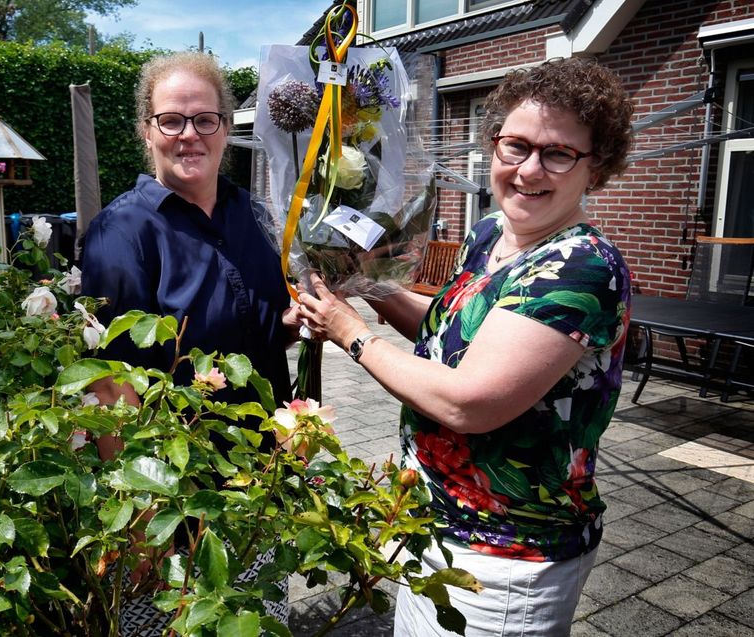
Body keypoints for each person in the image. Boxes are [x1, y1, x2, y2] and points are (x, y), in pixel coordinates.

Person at [295, 57, 634, 636]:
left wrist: (349, 331)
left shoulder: (579, 266)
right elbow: (452, 333)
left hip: (504, 561)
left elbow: (469, 402)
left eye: (557, 153)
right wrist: (367, 289)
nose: (528, 170)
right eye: (515, 146)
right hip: (436, 527)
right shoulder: (491, 236)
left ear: (595, 169)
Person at [79, 51, 302, 633]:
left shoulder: (249, 213)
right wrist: (144, 523)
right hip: (175, 488)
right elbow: (111, 382)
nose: (189, 135)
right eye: (171, 120)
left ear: (227, 127)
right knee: (173, 623)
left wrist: (294, 321)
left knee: (252, 619)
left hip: (257, 473)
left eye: (205, 119)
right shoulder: (121, 232)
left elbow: (254, 317)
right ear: (146, 129)